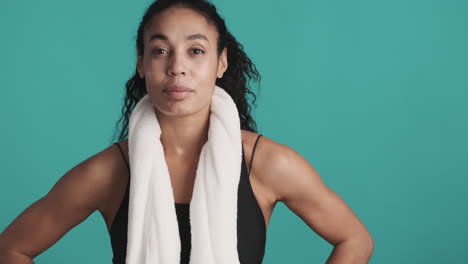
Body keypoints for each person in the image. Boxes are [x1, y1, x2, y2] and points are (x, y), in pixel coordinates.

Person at [0, 0, 374, 263]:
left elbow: (355, 240)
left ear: (221, 62)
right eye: (160, 51)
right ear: (142, 64)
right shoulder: (110, 172)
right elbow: (11, 249)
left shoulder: (266, 163)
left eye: (195, 51)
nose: (177, 67)